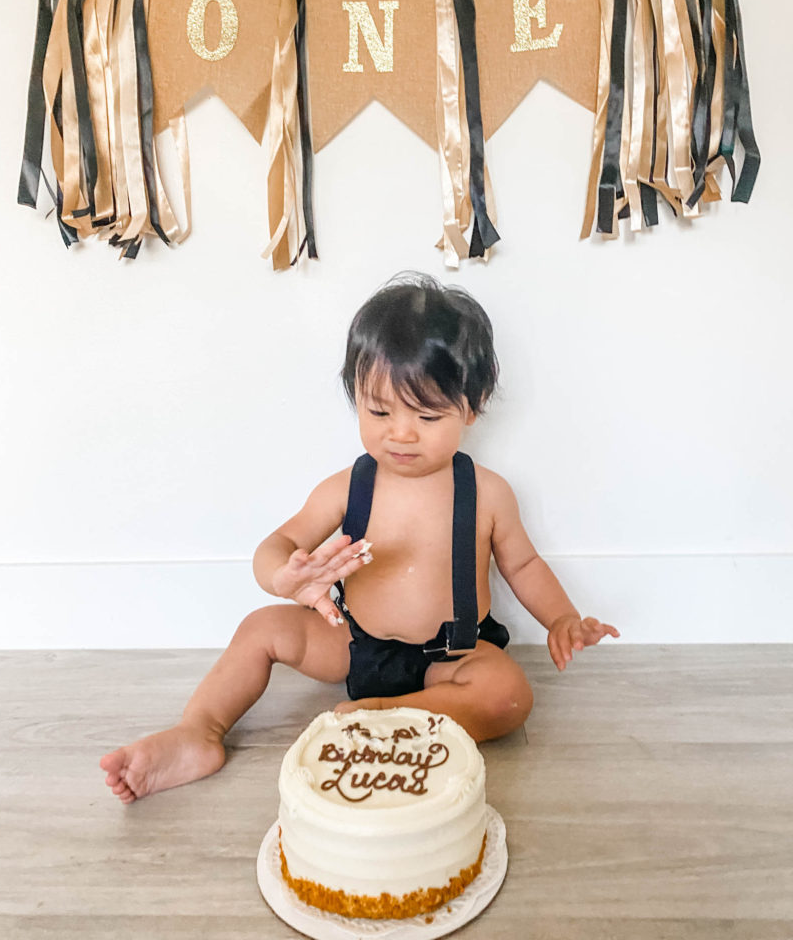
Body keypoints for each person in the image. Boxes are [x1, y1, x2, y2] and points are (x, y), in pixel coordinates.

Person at [100, 274, 619, 803]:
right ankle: (198, 732)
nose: (401, 432)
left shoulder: (487, 492)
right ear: (356, 399)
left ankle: (390, 715)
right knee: (260, 628)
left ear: (472, 405)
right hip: (355, 645)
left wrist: (560, 618)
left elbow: (524, 566)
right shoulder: (349, 487)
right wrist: (285, 576)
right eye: (379, 411)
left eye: (426, 414)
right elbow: (275, 545)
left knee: (510, 695)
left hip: (450, 658)